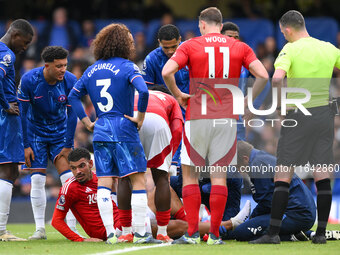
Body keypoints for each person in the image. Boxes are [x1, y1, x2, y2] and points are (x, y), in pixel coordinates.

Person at [162, 7, 268, 245]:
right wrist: (245, 101)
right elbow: (262, 75)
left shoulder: (190, 45)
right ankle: (215, 236)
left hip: (197, 116)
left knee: (190, 175)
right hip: (226, 119)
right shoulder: (238, 46)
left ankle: (190, 234)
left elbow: (167, 70)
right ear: (220, 25)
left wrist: (179, 94)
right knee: (219, 177)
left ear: (201, 25)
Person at [250, 10, 340, 244]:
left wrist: (280, 105)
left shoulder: (289, 49)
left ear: (287, 29)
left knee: (284, 173)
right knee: (322, 173)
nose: (283, 36)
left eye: (282, 32)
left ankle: (272, 234)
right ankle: (320, 234)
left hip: (298, 114)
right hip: (324, 115)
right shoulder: (328, 48)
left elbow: (277, 78)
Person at [68, 24, 158, 244]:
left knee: (104, 182)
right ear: (123, 43)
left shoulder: (91, 69)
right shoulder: (128, 67)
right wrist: (140, 117)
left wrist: (88, 123)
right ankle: (139, 233)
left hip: (101, 131)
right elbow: (144, 91)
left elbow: (72, 96)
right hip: (124, 128)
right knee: (137, 180)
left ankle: (110, 234)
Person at [18, 46, 78, 240]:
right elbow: (22, 114)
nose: (63, 70)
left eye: (65, 65)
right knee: (37, 179)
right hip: (35, 133)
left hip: (60, 133)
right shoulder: (29, 80)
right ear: (47, 66)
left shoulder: (70, 80)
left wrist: (68, 145)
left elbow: (72, 115)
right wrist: (26, 145)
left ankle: (72, 229)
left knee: (68, 180)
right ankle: (39, 229)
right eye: (59, 66)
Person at [220, 141, 316, 241]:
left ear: (245, 159)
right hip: (302, 213)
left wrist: (251, 219)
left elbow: (267, 202)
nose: (239, 171)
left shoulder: (258, 165)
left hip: (295, 215)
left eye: (238, 166)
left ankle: (292, 236)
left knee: (240, 233)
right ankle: (305, 233)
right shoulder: (262, 158)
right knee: (246, 227)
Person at [134, 85, 183, 242]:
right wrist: (169, 160)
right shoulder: (170, 99)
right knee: (162, 179)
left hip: (128, 120)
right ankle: (162, 231)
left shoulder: (133, 94)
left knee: (127, 177)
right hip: (157, 121)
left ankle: (127, 231)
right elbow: (177, 128)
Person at [0, 19, 33, 242]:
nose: (26, 47)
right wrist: (5, 104)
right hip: (6, 117)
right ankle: (2, 230)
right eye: (26, 41)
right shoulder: (7, 55)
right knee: (9, 169)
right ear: (15, 35)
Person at [52, 148, 121, 242]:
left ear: (91, 164)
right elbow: (56, 221)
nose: (78, 171)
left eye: (81, 166)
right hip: (104, 233)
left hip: (120, 223)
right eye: (73, 168)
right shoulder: (69, 188)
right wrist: (80, 240)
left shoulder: (101, 179)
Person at [221, 21, 271, 141]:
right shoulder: (209, 59)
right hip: (214, 121)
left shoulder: (244, 62)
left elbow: (265, 82)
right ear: (220, 38)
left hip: (237, 124)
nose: (233, 40)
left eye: (236, 37)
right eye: (229, 37)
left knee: (238, 157)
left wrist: (252, 107)